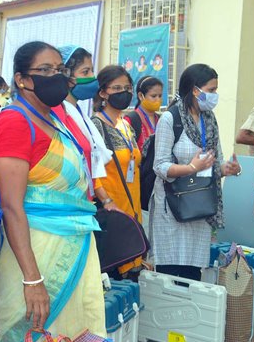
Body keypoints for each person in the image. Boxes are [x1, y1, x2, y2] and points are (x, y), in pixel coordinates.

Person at [0, 41, 105, 342]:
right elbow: (11, 207)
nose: (57, 76)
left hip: (76, 247)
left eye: (60, 69)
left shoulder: (55, 118)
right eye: (46, 70)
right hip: (37, 258)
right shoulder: (14, 123)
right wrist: (33, 280)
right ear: (22, 79)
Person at [150, 63, 241, 281]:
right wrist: (191, 168)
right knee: (170, 272)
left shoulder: (209, 119)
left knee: (192, 273)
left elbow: (215, 161)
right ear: (195, 90)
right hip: (173, 207)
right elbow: (160, 166)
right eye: (211, 90)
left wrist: (226, 169)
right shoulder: (170, 119)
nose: (215, 95)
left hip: (200, 206)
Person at [91, 65, 144, 279]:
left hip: (132, 208)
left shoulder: (125, 124)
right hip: (112, 212)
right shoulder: (96, 125)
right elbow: (92, 171)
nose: (124, 92)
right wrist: (106, 201)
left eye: (127, 88)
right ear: (103, 93)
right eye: (117, 88)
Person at [56, 45, 110, 184]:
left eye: (92, 70)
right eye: (85, 72)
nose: (92, 77)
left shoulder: (79, 113)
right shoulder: (59, 114)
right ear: (67, 76)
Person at [125, 75, 164, 150]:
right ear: (140, 96)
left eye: (160, 96)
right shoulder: (130, 120)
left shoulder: (161, 119)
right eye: (153, 96)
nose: (158, 99)